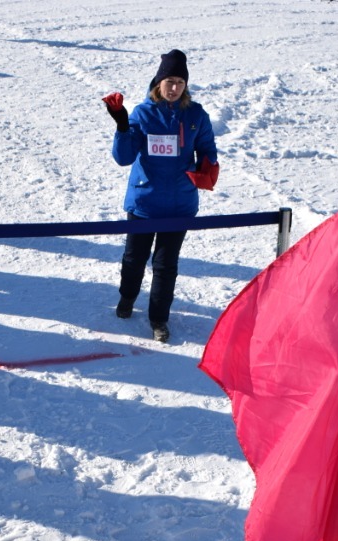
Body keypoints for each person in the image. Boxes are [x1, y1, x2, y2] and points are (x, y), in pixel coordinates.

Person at [103, 49, 218, 344]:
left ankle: (158, 319)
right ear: (159, 82)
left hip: (179, 204)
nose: (174, 87)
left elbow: (207, 148)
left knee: (166, 266)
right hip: (144, 201)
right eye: (169, 81)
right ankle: (127, 298)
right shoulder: (144, 113)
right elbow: (124, 157)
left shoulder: (195, 115)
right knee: (134, 258)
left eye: (180, 81)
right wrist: (122, 125)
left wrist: (206, 168)